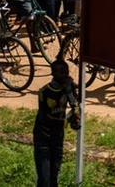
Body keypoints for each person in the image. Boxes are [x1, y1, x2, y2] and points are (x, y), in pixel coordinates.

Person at [33, 58, 80, 187]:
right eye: (61, 73)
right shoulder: (44, 92)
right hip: (43, 137)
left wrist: (74, 116)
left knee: (54, 177)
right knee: (44, 179)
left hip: (57, 136)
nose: (65, 75)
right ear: (53, 73)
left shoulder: (68, 88)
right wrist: (67, 90)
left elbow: (75, 106)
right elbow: (47, 117)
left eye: (66, 72)